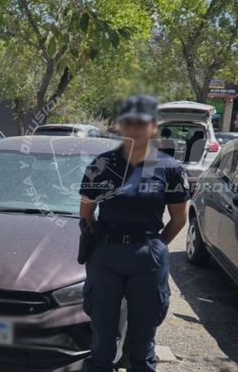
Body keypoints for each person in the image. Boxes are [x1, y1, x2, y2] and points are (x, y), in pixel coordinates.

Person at [78, 94, 190, 372]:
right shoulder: (101, 165)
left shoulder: (169, 168)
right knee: (102, 339)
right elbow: (86, 212)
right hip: (107, 255)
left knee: (142, 340)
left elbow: (179, 218)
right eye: (129, 122)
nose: (135, 128)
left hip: (147, 258)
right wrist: (100, 244)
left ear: (153, 127)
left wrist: (154, 246)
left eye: (142, 123)